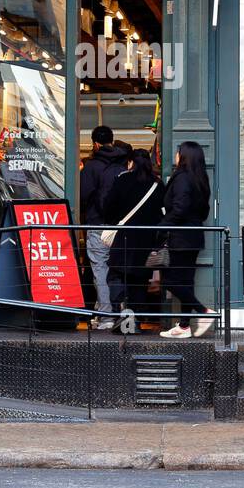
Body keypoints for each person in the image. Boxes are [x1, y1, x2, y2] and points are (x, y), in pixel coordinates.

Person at [158, 141, 217, 339]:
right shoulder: (200, 179)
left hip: (180, 238)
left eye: (178, 152)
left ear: (183, 156)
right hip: (193, 236)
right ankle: (184, 326)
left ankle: (203, 312)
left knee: (169, 281)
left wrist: (162, 226)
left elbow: (180, 207)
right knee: (185, 282)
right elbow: (203, 211)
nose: (175, 156)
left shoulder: (182, 178)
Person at [102, 148, 165, 334]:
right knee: (139, 280)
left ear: (131, 162)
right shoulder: (157, 185)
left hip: (124, 237)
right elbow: (162, 215)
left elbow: (109, 207)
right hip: (146, 239)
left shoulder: (122, 180)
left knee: (116, 276)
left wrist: (115, 221)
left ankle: (120, 313)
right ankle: (134, 320)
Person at [79, 126, 129, 328]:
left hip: (98, 225)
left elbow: (82, 195)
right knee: (117, 270)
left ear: (95, 144)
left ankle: (107, 316)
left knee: (100, 270)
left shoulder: (92, 166)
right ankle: (117, 313)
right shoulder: (124, 164)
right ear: (112, 140)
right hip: (121, 227)